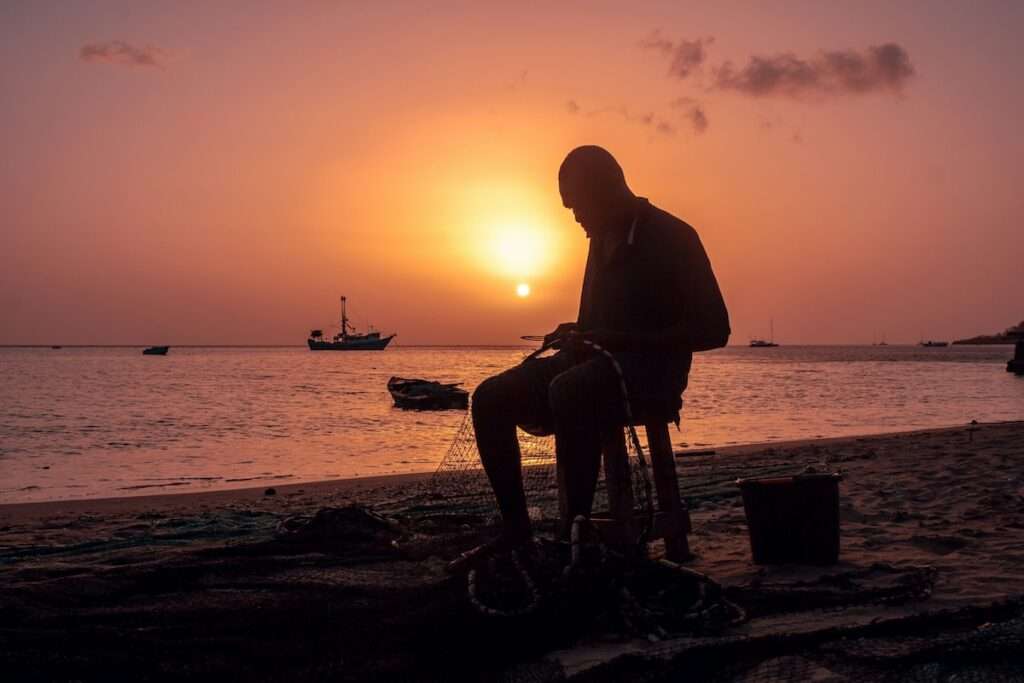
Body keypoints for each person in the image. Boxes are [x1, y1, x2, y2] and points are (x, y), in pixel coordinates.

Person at [471, 145, 730, 548]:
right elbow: (601, 324)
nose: (576, 219)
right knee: (490, 397)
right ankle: (517, 530)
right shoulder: (599, 239)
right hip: (591, 364)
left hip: (651, 376)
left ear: (608, 189)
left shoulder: (673, 236)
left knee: (570, 390)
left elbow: (715, 330)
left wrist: (622, 340)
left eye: (579, 207)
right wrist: (576, 330)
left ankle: (574, 532)